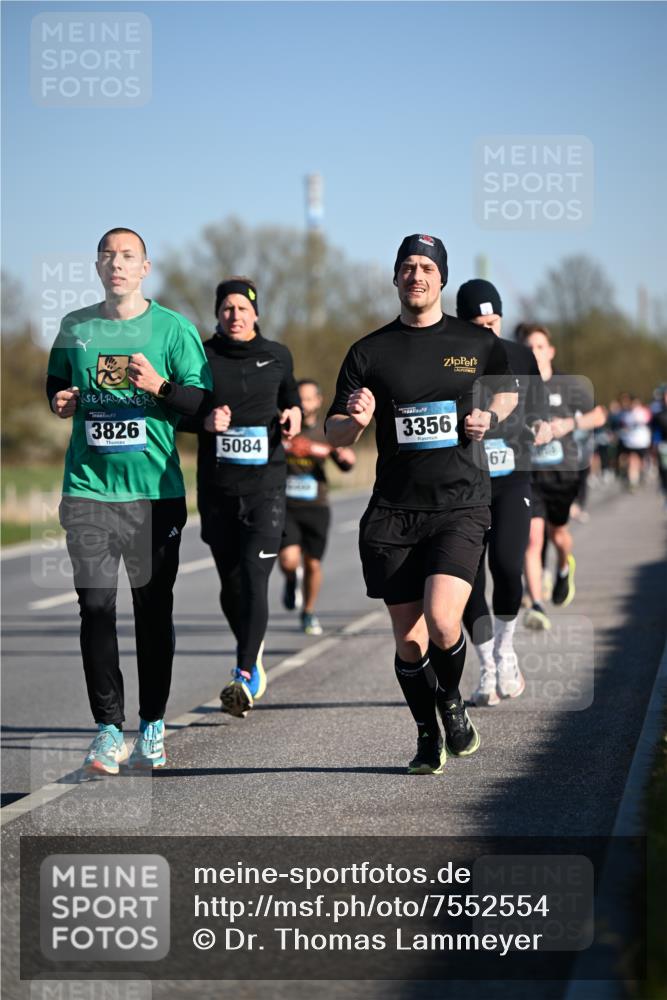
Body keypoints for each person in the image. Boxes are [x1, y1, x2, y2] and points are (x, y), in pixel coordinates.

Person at [325, 234, 518, 774]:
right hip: (394, 511)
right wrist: (354, 422)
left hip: (460, 503)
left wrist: (491, 418)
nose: (417, 275)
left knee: (441, 620)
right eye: (407, 267)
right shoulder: (369, 351)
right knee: (410, 642)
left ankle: (452, 702)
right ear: (395, 278)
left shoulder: (476, 342)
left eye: (427, 268)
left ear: (442, 278)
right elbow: (334, 432)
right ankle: (426, 732)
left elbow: (506, 390)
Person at [47, 227, 212, 774]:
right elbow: (54, 385)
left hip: (154, 497)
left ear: (145, 267)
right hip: (89, 491)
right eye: (107, 256)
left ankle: (154, 722)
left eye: (127, 256)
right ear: (97, 266)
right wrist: (62, 401)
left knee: (151, 610)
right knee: (95, 605)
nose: (116, 264)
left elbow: (201, 405)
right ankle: (107, 728)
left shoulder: (173, 329)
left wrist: (160, 385)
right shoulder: (76, 328)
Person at [179, 277, 301, 718]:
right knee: (231, 587)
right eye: (227, 308)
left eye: (242, 308)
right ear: (217, 313)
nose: (234, 315)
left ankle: (245, 671)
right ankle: (251, 645)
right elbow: (177, 411)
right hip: (217, 489)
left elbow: (291, 399)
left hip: (265, 488)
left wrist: (294, 414)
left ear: (255, 313)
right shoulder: (202, 356)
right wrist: (205, 420)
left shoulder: (277, 355)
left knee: (254, 576)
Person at [456, 280, 551, 706]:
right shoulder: (449, 361)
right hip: (463, 483)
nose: (489, 332)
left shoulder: (520, 356)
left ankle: (505, 648)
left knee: (508, 566)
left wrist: (540, 426)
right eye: (478, 325)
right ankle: (486, 666)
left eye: (494, 322)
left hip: (512, 477)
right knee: (468, 582)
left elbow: (539, 412)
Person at [519, 324, 606, 630]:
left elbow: (600, 415)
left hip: (563, 475)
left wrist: (571, 423)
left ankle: (563, 567)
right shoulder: (516, 386)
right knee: (531, 539)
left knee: (558, 535)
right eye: (529, 347)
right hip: (530, 475)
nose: (535, 352)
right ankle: (537, 605)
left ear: (550, 351)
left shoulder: (568, 385)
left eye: (540, 346)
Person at [279, 379, 356, 636]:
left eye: (310, 398)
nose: (304, 403)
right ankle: (291, 580)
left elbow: (347, 461)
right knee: (289, 560)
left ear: (319, 401)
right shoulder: (283, 425)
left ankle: (308, 611)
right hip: (286, 505)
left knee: (313, 564)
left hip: (317, 505)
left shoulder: (327, 430)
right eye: (300, 398)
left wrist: (331, 453)